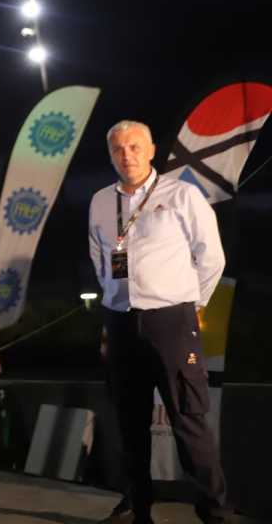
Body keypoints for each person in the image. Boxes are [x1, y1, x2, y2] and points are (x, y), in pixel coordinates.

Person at [89, 120, 229, 524]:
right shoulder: (100, 201)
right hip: (120, 323)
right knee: (129, 423)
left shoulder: (182, 195)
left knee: (189, 421)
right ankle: (138, 508)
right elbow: (99, 257)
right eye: (118, 149)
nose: (126, 155)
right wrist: (112, 299)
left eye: (135, 147)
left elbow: (212, 257)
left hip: (171, 322)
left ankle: (216, 513)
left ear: (151, 151)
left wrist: (192, 304)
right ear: (110, 154)